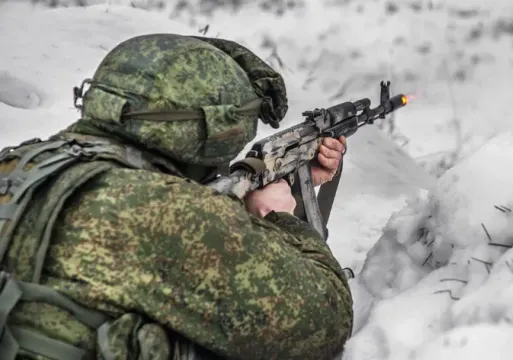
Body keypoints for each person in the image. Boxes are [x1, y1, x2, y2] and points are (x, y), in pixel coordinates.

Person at [0, 34, 353, 360]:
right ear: (210, 130)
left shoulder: (19, 165)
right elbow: (325, 321)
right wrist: (280, 217)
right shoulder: (169, 213)